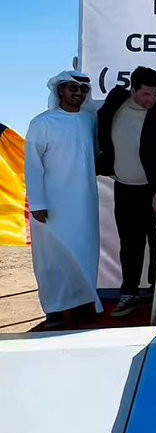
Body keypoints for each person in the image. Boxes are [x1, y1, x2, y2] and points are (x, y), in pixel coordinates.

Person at [97, 66, 156, 317]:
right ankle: (129, 293)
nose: (151, 98)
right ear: (133, 89)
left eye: (155, 93)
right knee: (129, 244)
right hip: (124, 189)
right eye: (145, 93)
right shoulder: (115, 102)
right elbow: (101, 129)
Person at [24, 70, 101, 328]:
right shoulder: (42, 123)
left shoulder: (89, 120)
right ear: (60, 91)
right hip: (52, 205)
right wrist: (37, 203)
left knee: (84, 253)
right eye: (72, 88)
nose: (78, 93)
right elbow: (33, 166)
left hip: (85, 202)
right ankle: (54, 309)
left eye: (82, 89)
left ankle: (82, 304)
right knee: (52, 257)